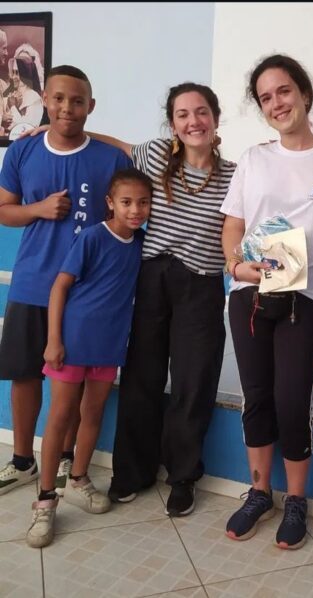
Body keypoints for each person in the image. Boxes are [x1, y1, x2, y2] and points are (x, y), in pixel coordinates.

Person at [69, 83, 236, 517]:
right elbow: (113, 144)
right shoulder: (156, 154)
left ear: (215, 117)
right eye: (183, 114)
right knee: (141, 378)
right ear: (172, 124)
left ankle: (182, 477)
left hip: (201, 283)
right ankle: (132, 473)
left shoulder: (235, 175)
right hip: (150, 278)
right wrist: (53, 131)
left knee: (193, 382)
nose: (193, 121)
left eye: (201, 112)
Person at [220, 54, 313, 549]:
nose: (276, 103)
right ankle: (259, 493)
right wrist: (236, 265)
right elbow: (234, 225)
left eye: (284, 91)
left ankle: (296, 499)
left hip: (304, 297)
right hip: (250, 293)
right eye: (265, 97)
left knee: (292, 401)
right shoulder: (254, 158)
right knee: (257, 397)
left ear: (304, 94)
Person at [0, 65, 131, 497]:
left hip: (85, 294)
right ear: (44, 100)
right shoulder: (22, 151)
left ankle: (65, 460)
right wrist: (37, 210)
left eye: (77, 101)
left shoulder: (111, 159)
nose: (66, 108)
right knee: (24, 374)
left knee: (70, 383)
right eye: (58, 99)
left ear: (90, 106)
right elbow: (4, 210)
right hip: (32, 282)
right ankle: (23, 460)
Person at [26, 168, 151, 549]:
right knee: (61, 417)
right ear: (110, 202)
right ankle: (46, 499)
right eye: (126, 202)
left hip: (109, 346)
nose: (135, 210)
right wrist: (54, 340)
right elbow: (59, 287)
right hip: (73, 343)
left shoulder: (141, 242)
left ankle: (78, 477)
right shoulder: (93, 237)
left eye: (143, 202)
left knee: (92, 413)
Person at [3, 53, 44, 133]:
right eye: (13, 72)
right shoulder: (11, 94)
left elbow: (27, 127)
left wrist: (13, 107)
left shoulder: (34, 97)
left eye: (17, 73)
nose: (14, 77)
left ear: (25, 74)